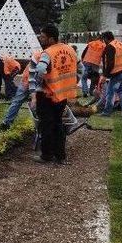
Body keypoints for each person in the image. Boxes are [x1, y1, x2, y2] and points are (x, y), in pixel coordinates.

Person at [31, 24, 79, 164]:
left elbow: (40, 69)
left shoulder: (48, 53)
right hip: (62, 94)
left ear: (51, 39)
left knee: (46, 125)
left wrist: (41, 82)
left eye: (43, 37)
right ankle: (60, 156)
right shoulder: (70, 49)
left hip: (47, 95)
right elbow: (79, 67)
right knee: (58, 124)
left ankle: (46, 155)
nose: (40, 39)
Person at [0, 51, 42, 131]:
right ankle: (6, 123)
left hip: (30, 81)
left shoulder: (39, 55)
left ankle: (6, 123)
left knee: (17, 102)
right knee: (18, 102)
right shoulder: (40, 56)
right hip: (28, 81)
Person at [100, 31, 122, 117]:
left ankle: (106, 112)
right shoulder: (120, 44)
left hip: (119, 72)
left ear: (106, 38)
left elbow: (110, 63)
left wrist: (105, 75)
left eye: (104, 39)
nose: (104, 41)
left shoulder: (110, 46)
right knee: (121, 91)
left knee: (110, 92)